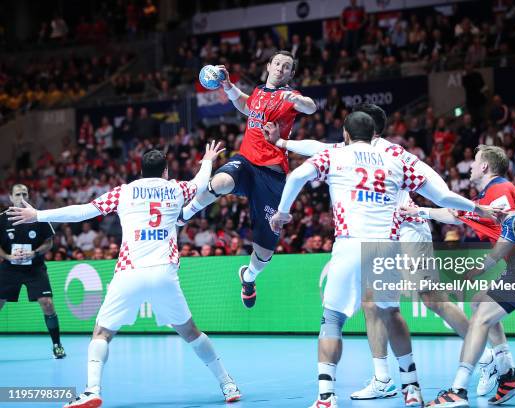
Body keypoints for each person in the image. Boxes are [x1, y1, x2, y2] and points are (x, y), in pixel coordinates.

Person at [268, 104, 501, 399]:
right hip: (382, 234)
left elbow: (438, 188)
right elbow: (317, 147)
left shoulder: (391, 153)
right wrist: (282, 142)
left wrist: (442, 210)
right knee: (372, 304)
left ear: (364, 129)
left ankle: (484, 357)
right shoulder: (351, 148)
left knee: (430, 298)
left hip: (408, 226)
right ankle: (384, 378)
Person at [8, 144, 241, 408]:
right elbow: (200, 184)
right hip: (164, 273)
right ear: (165, 171)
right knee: (190, 332)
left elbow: (83, 211)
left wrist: (38, 214)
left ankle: (92, 390)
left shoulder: (123, 192)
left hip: (129, 273)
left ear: (140, 171)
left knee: (102, 333)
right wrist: (208, 160)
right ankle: (227, 383)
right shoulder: (176, 188)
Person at [413, 145, 515, 407]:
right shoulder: (483, 201)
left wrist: (483, 266)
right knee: (480, 302)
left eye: (474, 161)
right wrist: (418, 212)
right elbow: (454, 215)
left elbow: (513, 228)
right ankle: (508, 374)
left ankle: (458, 390)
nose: (469, 165)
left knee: (480, 319)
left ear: (484, 167)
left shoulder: (499, 189)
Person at [179, 51, 316, 309]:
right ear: (269, 66)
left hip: (272, 176)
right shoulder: (258, 92)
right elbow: (245, 106)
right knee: (220, 182)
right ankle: (185, 214)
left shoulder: (291, 97)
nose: (281, 68)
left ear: (291, 74)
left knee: (264, 253)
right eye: (277, 63)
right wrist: (229, 86)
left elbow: (311, 106)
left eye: (287, 66)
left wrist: (296, 98)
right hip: (246, 161)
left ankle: (248, 277)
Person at [0, 184, 64, 359]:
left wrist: (34, 252)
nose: (21, 197)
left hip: (34, 267)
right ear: (11, 197)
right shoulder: (2, 219)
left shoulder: (39, 217)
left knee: (47, 303)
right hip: (9, 268)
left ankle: (57, 344)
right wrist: (7, 257)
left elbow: (49, 242)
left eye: (24, 194)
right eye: (17, 194)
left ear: (29, 196)